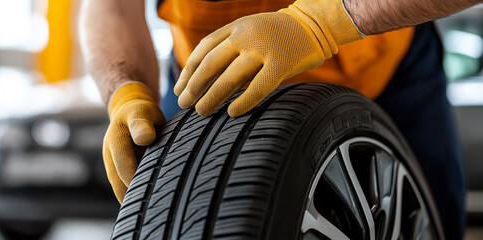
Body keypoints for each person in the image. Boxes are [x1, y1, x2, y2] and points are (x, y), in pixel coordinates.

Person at [80, 0, 481, 238]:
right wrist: (125, 90)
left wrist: (320, 24)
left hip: (382, 67)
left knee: (431, 219)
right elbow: (111, 6)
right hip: (210, 83)